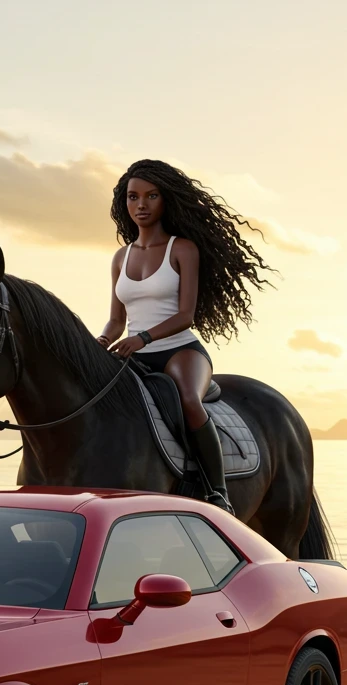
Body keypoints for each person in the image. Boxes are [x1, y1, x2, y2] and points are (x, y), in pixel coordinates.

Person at [96, 159, 274, 514]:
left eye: (151, 196)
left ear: (166, 200)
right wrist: (99, 343)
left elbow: (184, 315)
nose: (141, 205)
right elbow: (117, 320)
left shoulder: (182, 249)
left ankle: (217, 491)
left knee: (189, 401)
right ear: (123, 203)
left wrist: (143, 338)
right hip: (135, 353)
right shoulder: (120, 257)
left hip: (180, 351)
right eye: (133, 197)